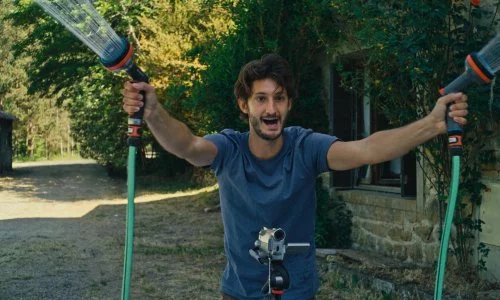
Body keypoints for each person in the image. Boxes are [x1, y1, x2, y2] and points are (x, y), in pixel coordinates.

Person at [122, 54, 468, 299]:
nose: (270, 109)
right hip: (239, 292)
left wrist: (434, 124)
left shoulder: (306, 148)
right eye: (261, 99)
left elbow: (367, 150)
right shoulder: (229, 149)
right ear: (245, 105)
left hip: (296, 292)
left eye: (279, 98)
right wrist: (154, 113)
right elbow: (188, 146)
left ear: (288, 104)